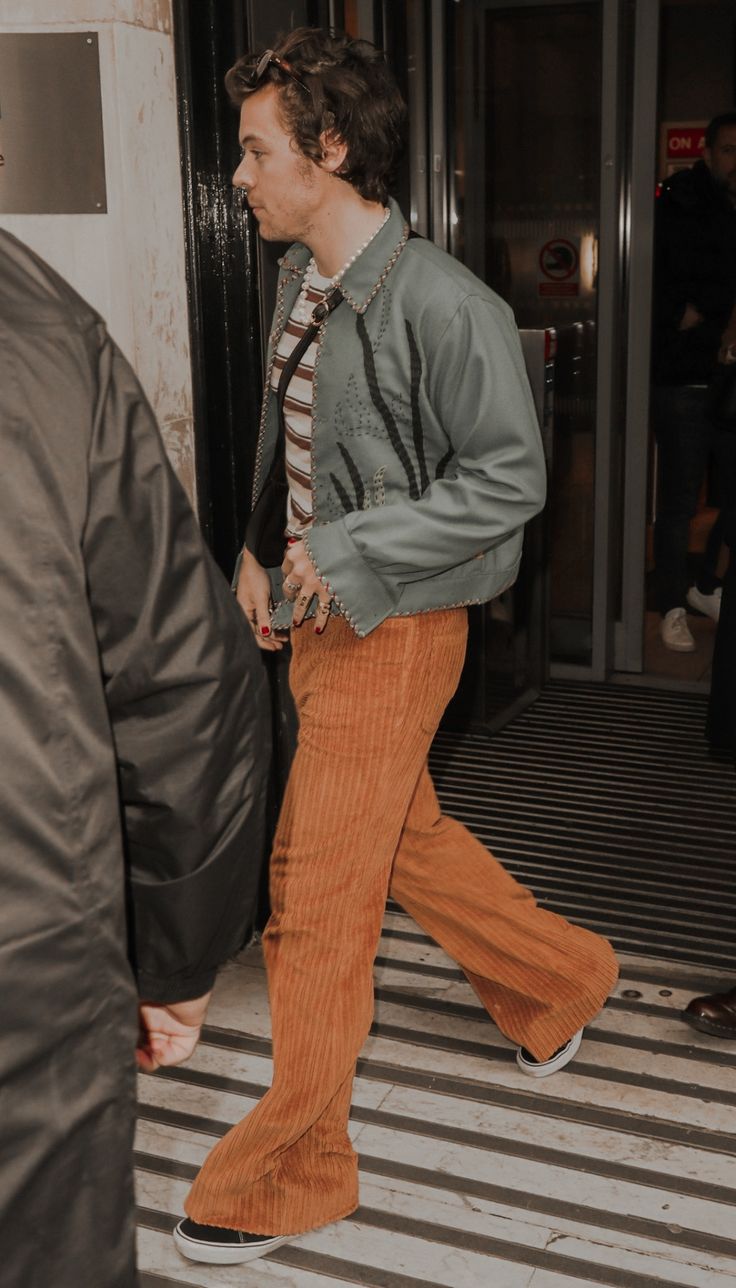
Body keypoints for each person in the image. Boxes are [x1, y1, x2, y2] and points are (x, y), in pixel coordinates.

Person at [173, 28, 620, 1268]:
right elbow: (291, 444)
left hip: (399, 621)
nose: (240, 179)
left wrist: (352, 552)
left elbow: (510, 481)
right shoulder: (299, 284)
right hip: (320, 611)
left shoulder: (444, 303)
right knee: (403, 838)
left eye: (258, 153)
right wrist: (262, 551)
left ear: (328, 150)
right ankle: (562, 981)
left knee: (315, 896)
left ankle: (292, 1170)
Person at [0, 229, 270, 1287]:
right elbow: (179, 679)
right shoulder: (41, 325)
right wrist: (174, 958)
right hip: (32, 971)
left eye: (257, 150)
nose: (240, 179)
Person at [650, 111, 736, 651]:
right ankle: (671, 605)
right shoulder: (686, 201)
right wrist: (708, 308)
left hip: (722, 377)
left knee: (726, 495)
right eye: (729, 150)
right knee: (680, 501)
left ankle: (705, 585)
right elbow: (685, 283)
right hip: (684, 377)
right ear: (707, 154)